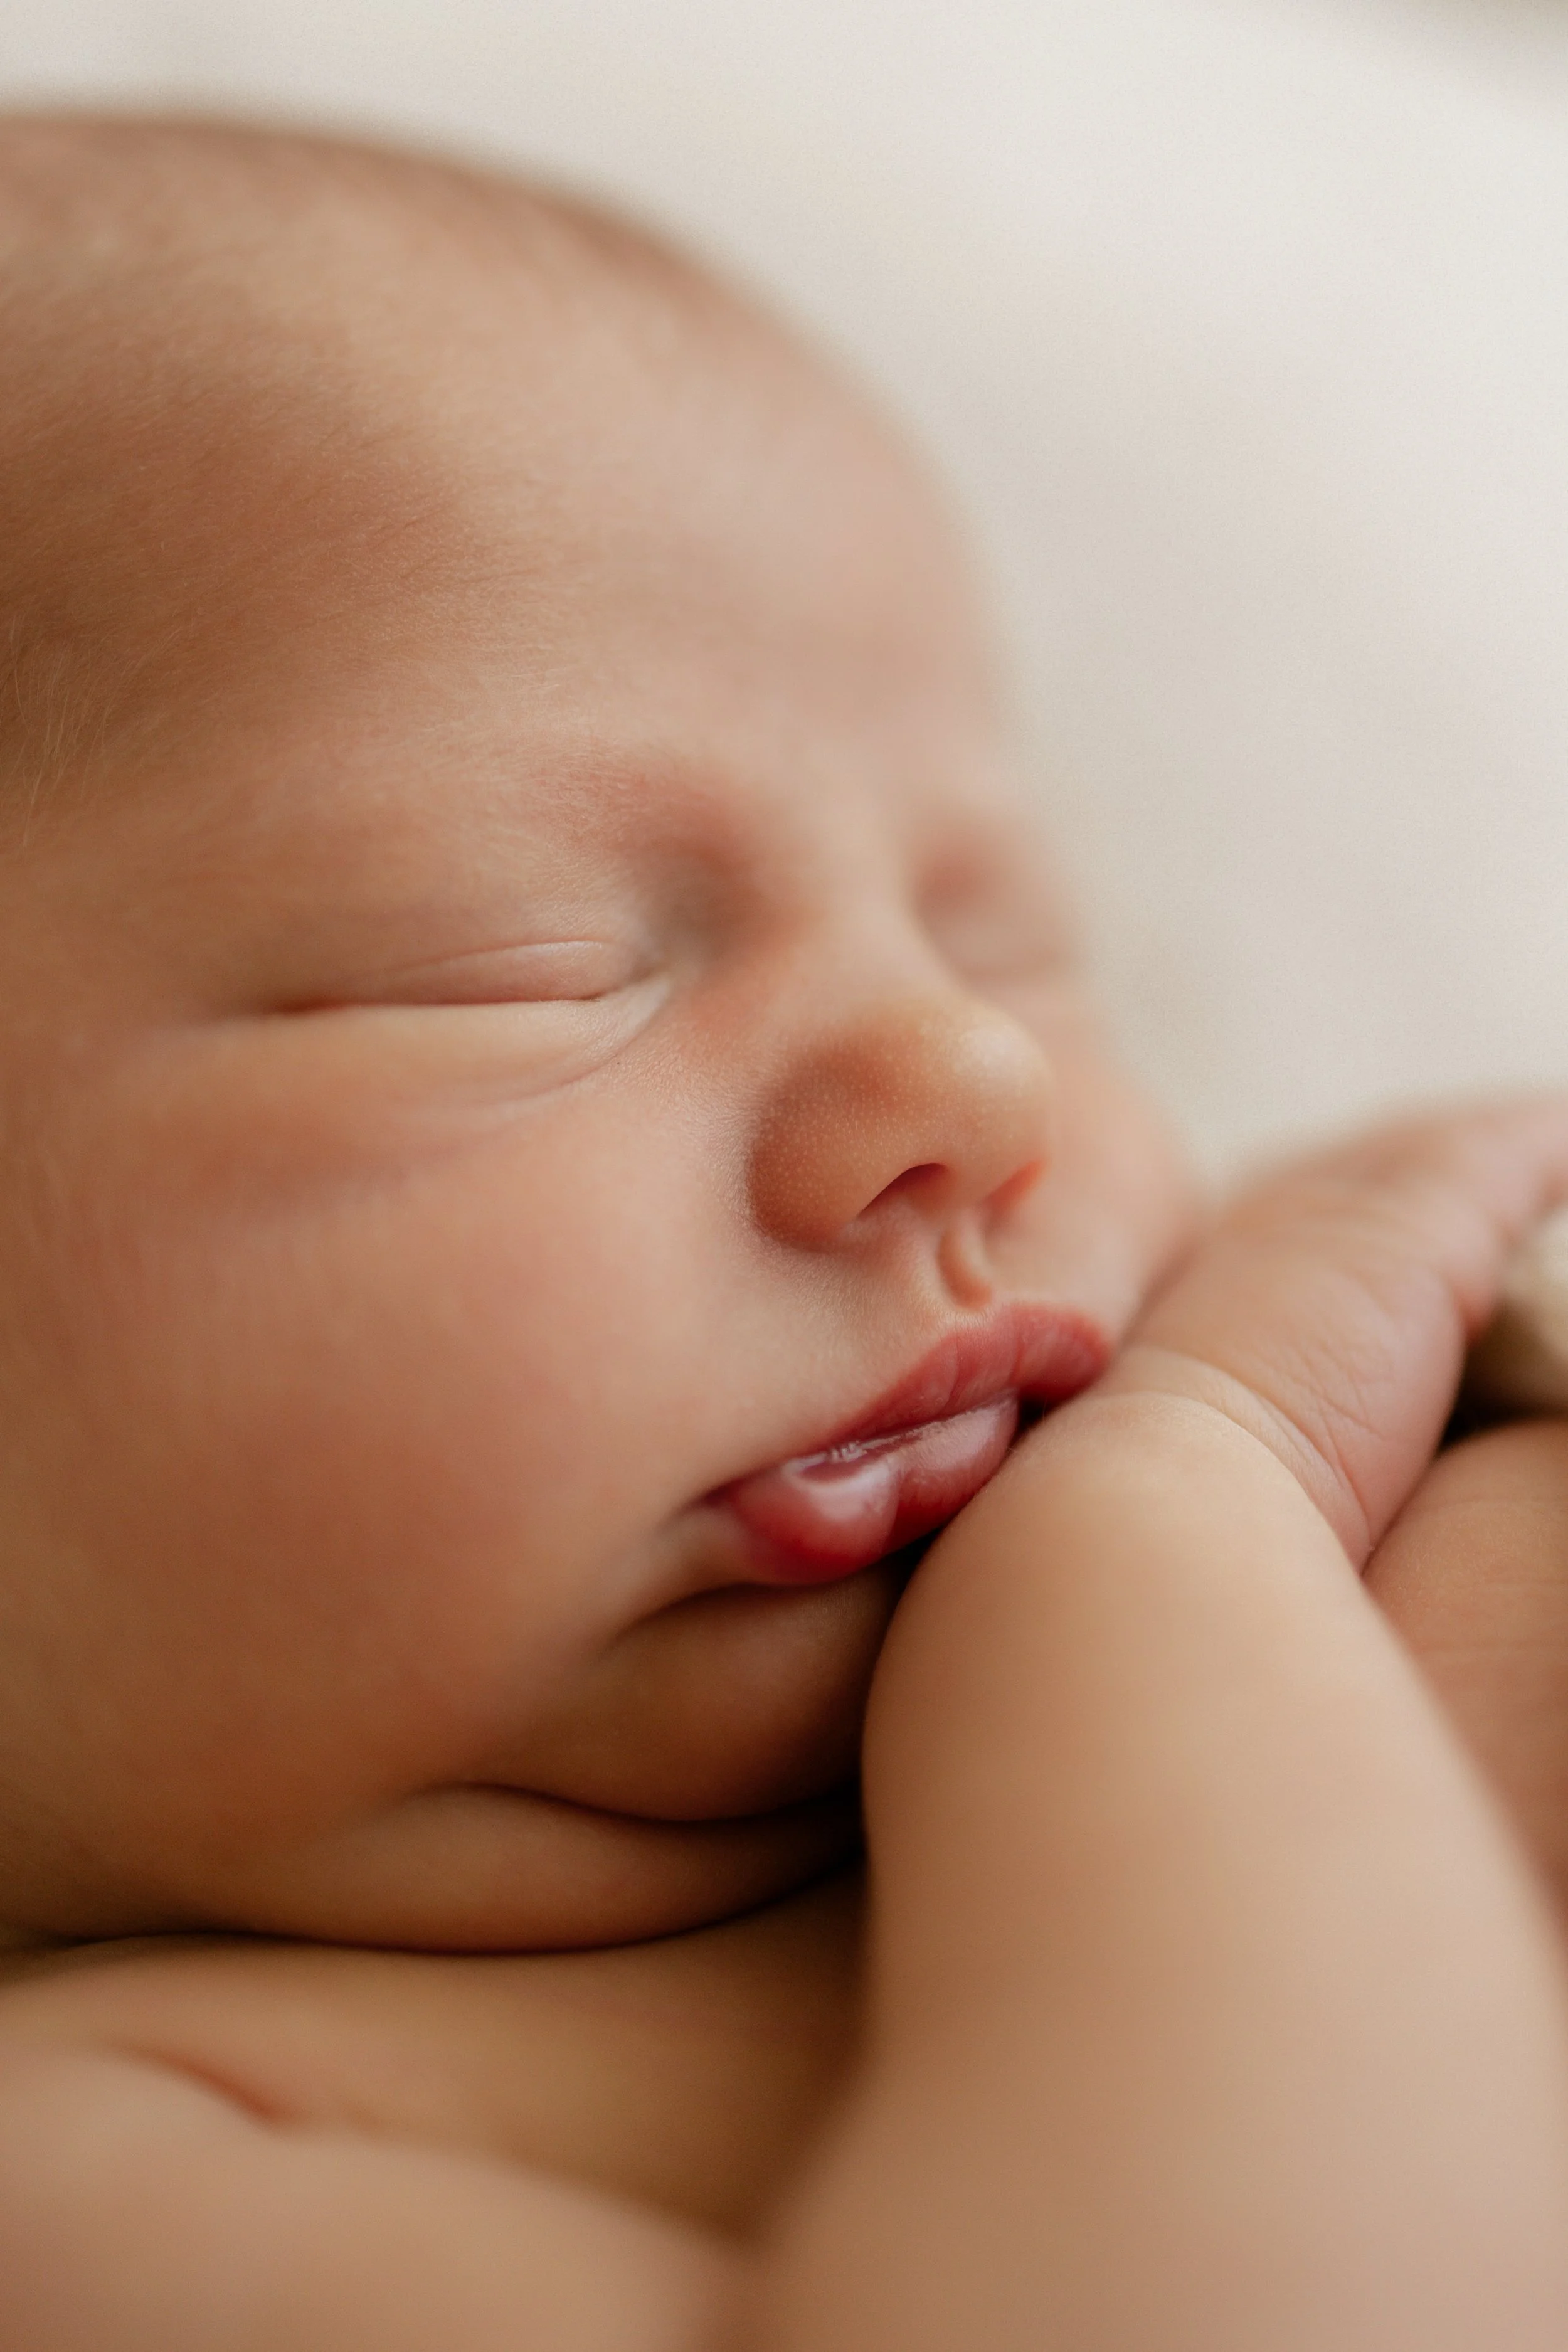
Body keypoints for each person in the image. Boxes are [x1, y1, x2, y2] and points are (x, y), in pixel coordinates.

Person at [1, 114, 1567, 2351]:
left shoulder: (1419, 1400)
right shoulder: (120, 2170)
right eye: (519, 963)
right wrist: (1174, 1513)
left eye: (996, 931)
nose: (973, 1075)